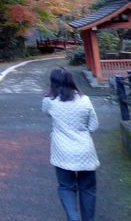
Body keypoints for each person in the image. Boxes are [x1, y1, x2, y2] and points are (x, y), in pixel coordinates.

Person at [42, 67, 99, 221]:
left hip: (62, 151)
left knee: (66, 187)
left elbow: (45, 112)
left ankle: (73, 218)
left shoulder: (49, 101)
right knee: (88, 189)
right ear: (71, 81)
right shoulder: (85, 100)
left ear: (53, 83)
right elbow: (93, 126)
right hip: (85, 152)